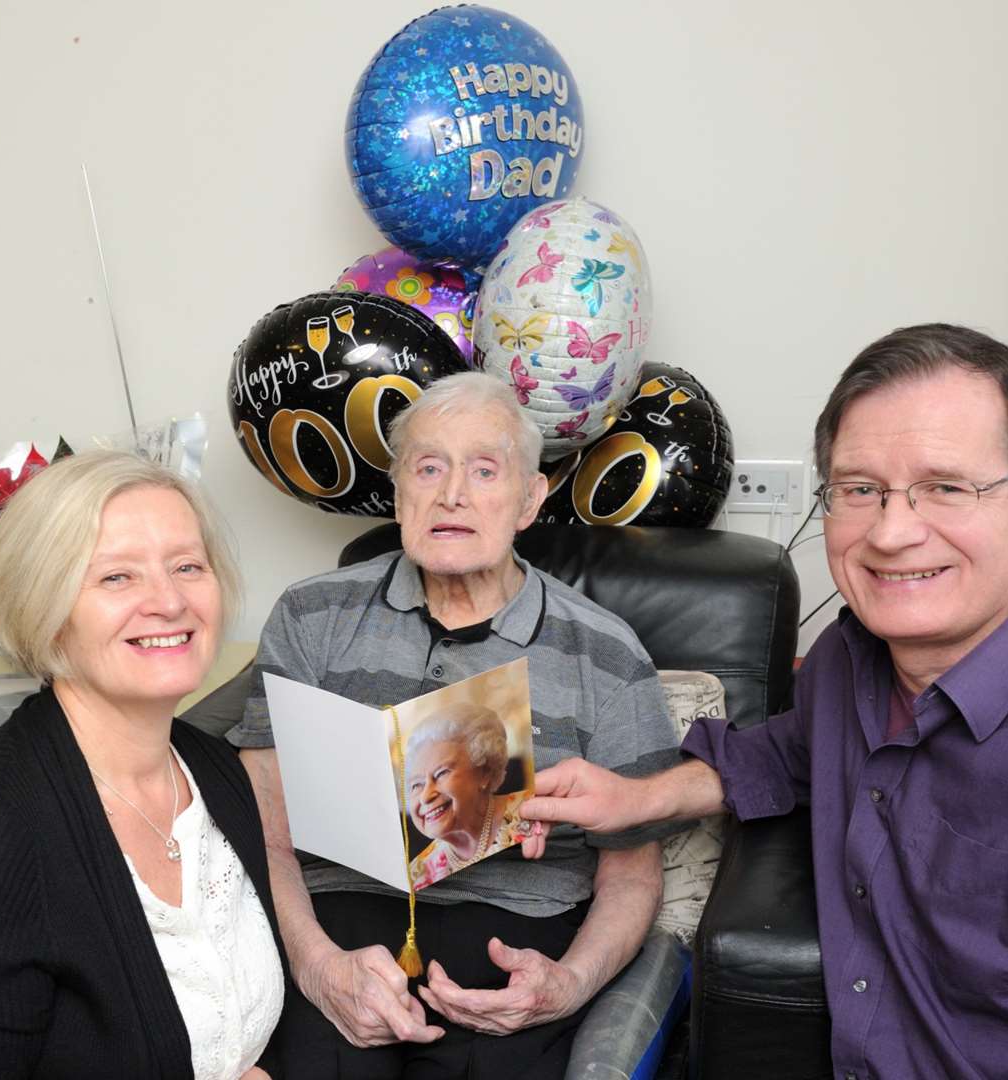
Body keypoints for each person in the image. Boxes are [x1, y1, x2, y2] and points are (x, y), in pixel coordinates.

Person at [522, 324, 1008, 1078]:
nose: (893, 533)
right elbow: (791, 752)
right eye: (860, 489)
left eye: (945, 487)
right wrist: (636, 796)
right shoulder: (850, 656)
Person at [228, 372, 683, 1078]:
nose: (452, 495)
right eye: (429, 466)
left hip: (515, 934)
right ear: (400, 488)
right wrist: (317, 967)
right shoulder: (310, 616)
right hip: (337, 920)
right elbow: (262, 820)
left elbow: (633, 875)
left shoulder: (608, 652)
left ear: (530, 499)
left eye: (485, 469)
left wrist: (565, 988)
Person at [0, 451, 284, 1080]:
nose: (169, 601)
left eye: (188, 566)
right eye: (117, 577)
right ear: (47, 610)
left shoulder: (215, 773)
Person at [403, 701, 531, 890]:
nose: (425, 796)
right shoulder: (418, 875)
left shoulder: (534, 813)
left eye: (441, 773)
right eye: (417, 785)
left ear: (484, 772)